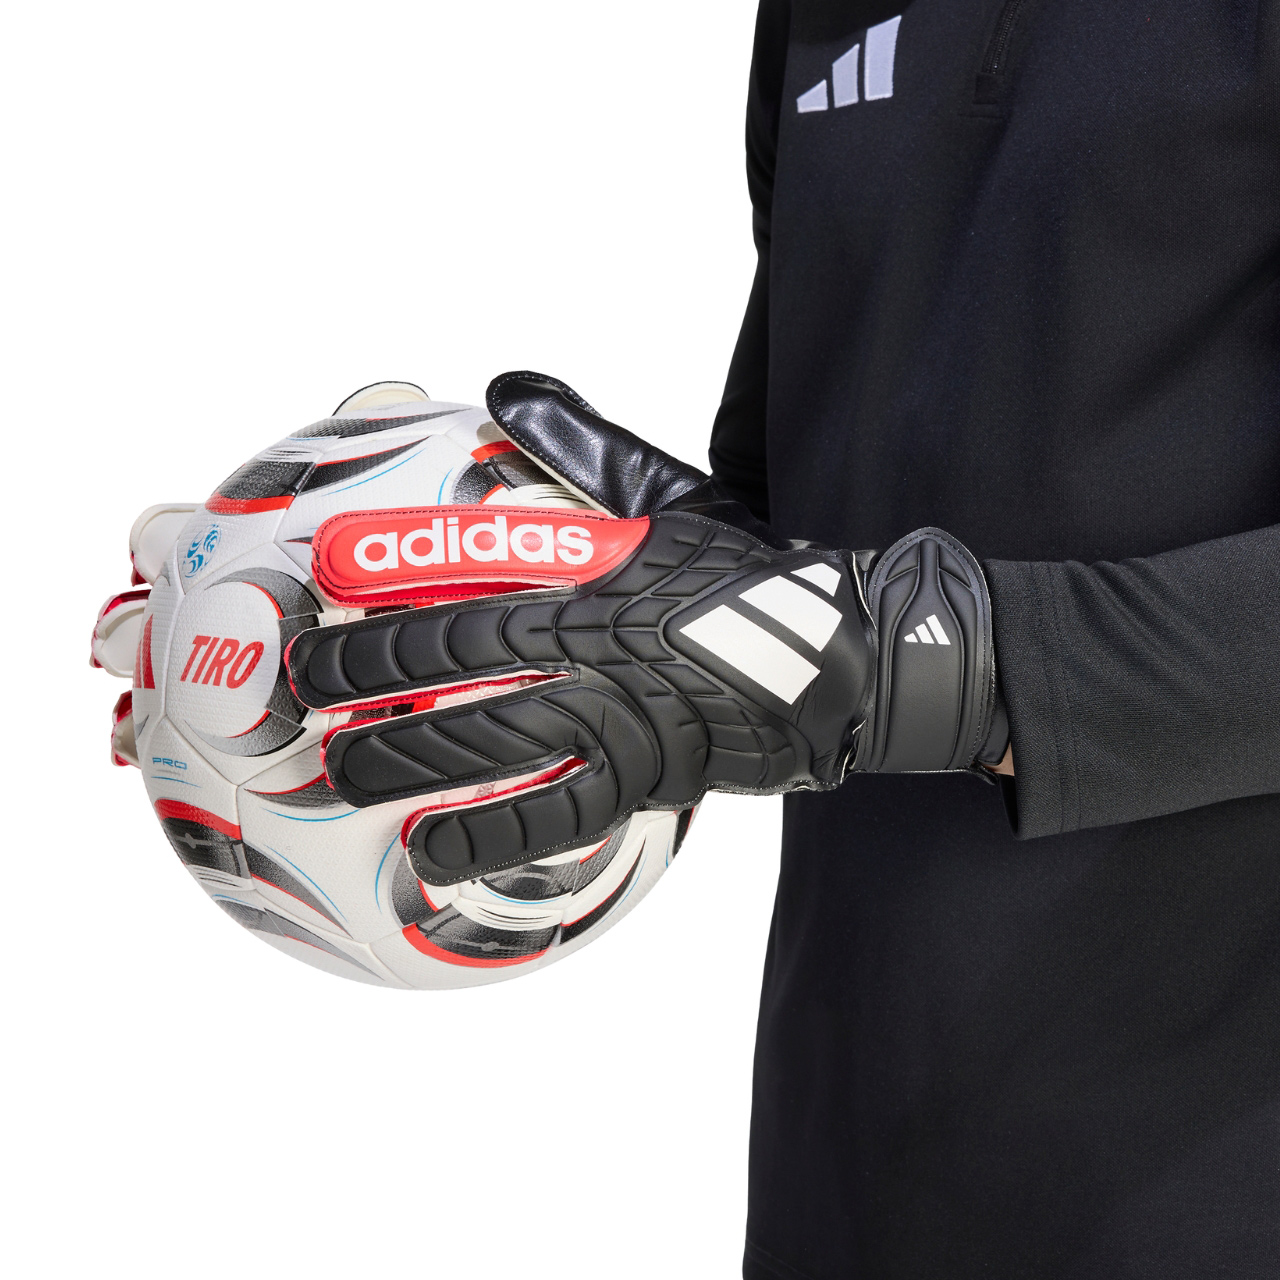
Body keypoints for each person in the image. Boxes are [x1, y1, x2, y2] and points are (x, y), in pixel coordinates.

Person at [284, 2, 1279, 1274]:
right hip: (850, 1157)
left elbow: (855, 633)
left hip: (1215, 1178)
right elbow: (807, 505)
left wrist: (919, 663)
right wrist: (487, 596)